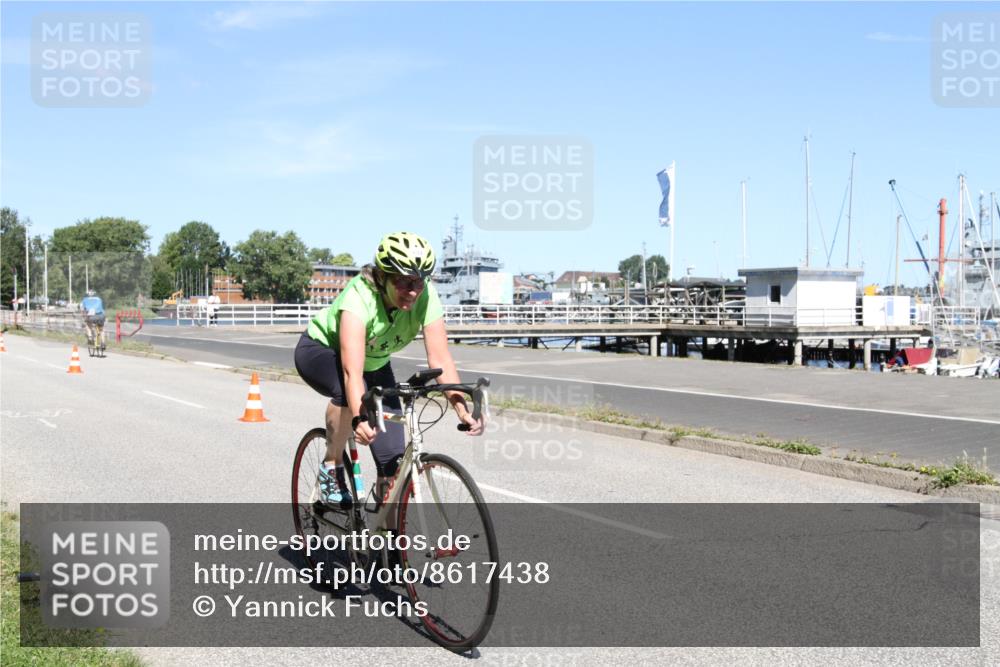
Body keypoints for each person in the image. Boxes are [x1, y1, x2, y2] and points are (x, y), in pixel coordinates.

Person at [295, 232, 483, 508]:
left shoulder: (425, 296)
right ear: (382, 276)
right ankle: (331, 468)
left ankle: (387, 542)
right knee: (350, 397)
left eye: (418, 281)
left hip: (376, 363)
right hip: (321, 352)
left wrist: (462, 408)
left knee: (393, 465)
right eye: (403, 281)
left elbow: (440, 357)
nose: (412, 291)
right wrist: (360, 417)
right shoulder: (359, 299)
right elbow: (351, 373)